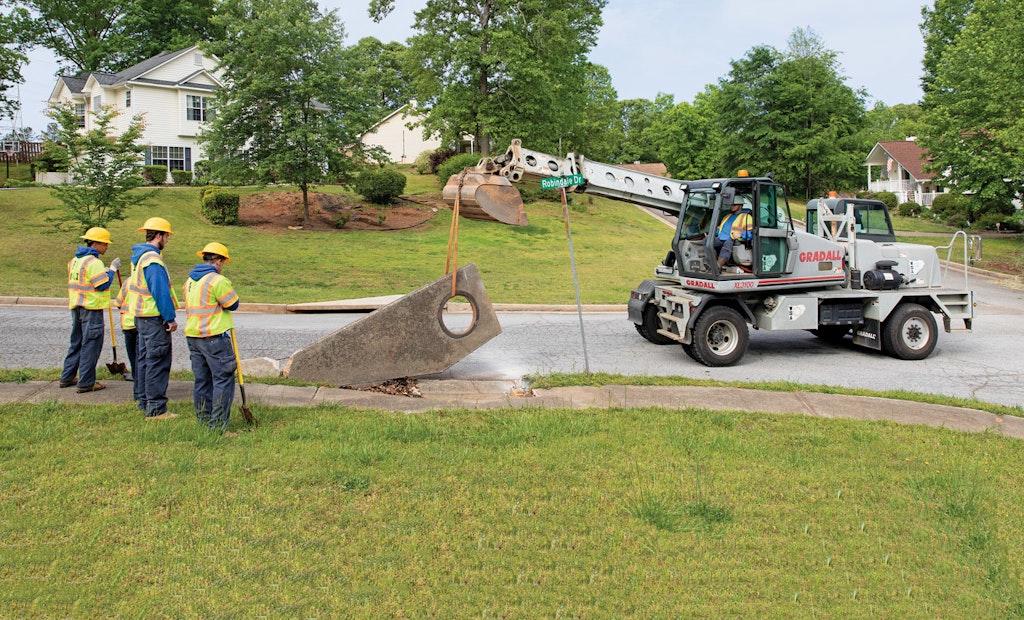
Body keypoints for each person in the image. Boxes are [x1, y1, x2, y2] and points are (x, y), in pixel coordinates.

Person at [183, 242, 241, 434]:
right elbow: (233, 303)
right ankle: (218, 427)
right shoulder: (217, 280)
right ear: (217, 260)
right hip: (214, 337)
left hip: (193, 336)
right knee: (223, 379)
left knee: (202, 380)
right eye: (223, 262)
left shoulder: (189, 281)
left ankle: (203, 419)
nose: (223, 266)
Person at [128, 217, 178, 420]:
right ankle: (156, 409)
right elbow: (160, 292)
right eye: (166, 236)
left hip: (140, 317)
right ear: (159, 235)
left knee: (144, 361)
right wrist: (170, 318)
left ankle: (143, 400)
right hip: (153, 318)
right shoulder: (153, 260)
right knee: (158, 361)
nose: (167, 240)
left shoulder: (140, 257)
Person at [60, 227, 121, 393]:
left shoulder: (74, 261)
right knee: (91, 345)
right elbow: (102, 285)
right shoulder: (94, 262)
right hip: (91, 308)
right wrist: (112, 270)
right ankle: (87, 382)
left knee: (77, 342)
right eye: (105, 244)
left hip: (77, 307)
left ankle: (68, 376)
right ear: (96, 243)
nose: (107, 247)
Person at [713, 196, 753, 269]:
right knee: (707, 241)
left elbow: (751, 233)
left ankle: (718, 265)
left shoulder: (746, 217)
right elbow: (720, 229)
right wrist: (711, 235)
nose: (732, 206)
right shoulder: (727, 216)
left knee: (728, 243)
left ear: (740, 206)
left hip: (735, 240)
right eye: (731, 204)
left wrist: (741, 234)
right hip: (721, 238)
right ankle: (711, 262)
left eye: (734, 205)